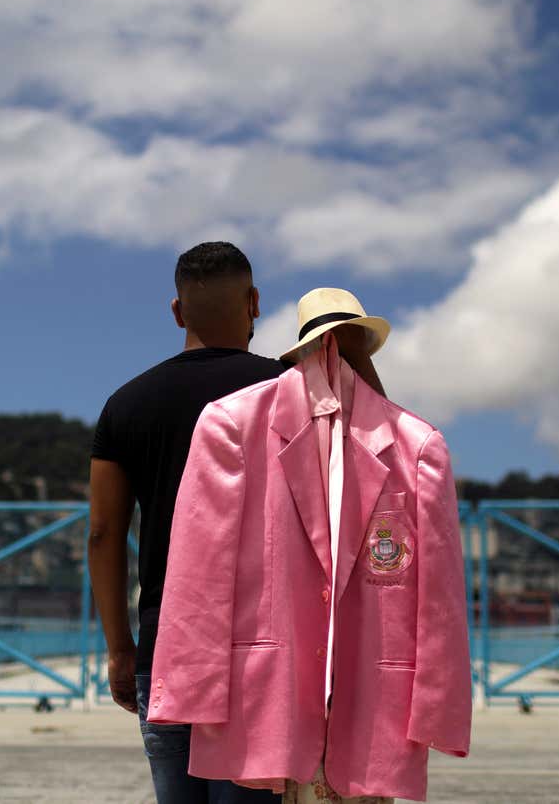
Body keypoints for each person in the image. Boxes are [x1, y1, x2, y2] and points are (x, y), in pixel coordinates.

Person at [89, 243, 383, 804]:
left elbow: (104, 533)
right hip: (269, 648)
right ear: (253, 303)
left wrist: (120, 647)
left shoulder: (125, 404)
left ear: (176, 312)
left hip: (165, 642)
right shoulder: (291, 390)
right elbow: (368, 463)